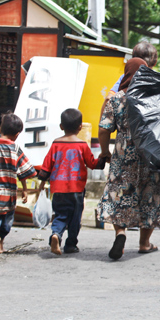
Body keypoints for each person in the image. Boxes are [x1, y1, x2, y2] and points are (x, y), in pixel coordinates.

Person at [96, 58, 160, 260]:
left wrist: (105, 153)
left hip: (123, 153)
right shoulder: (156, 98)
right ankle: (144, 243)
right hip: (151, 152)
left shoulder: (116, 99)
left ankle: (120, 233)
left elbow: (103, 129)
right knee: (151, 194)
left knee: (118, 193)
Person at [37, 109, 106, 255]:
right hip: (76, 189)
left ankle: (56, 234)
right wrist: (103, 158)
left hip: (58, 189)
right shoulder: (82, 146)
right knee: (75, 218)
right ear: (80, 127)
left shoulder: (55, 144)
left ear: (61, 126)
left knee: (61, 214)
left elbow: (46, 166)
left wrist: (42, 182)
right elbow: (93, 164)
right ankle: (70, 245)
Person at [0, 113, 37, 257]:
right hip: (8, 196)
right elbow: (26, 171)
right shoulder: (15, 148)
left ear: (0, 128)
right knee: (6, 220)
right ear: (16, 135)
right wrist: (25, 190)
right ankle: (0, 244)